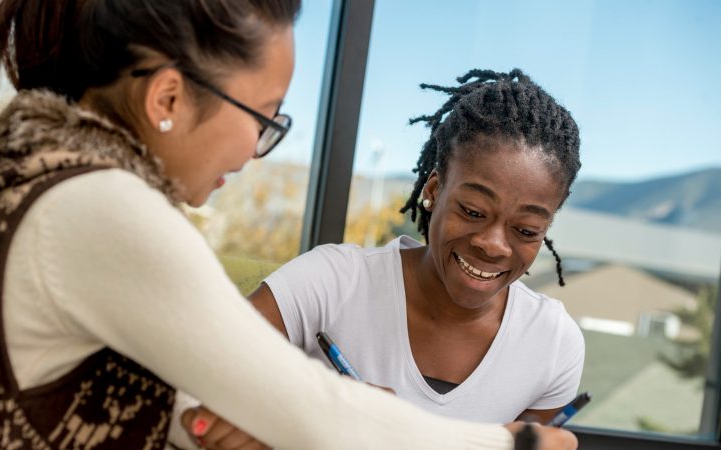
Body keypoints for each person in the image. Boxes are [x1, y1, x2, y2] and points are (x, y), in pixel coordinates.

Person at [0, 0, 577, 447]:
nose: (255, 150)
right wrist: (519, 442)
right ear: (169, 98)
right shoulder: (99, 206)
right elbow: (321, 419)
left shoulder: (18, 171)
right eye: (264, 117)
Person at [184, 69, 585, 448]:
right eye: (473, 212)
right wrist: (322, 411)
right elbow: (202, 370)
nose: (494, 244)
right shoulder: (332, 282)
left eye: (527, 231)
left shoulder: (553, 344)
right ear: (433, 190)